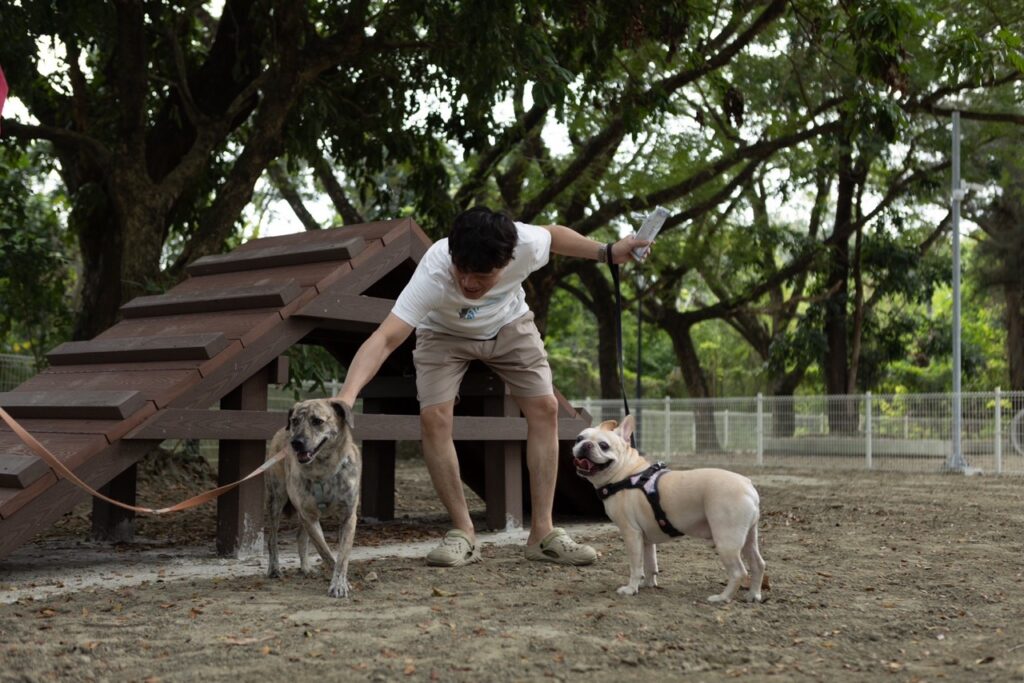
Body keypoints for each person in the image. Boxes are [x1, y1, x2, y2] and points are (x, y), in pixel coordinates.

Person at [336, 206, 650, 567]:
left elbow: (555, 235)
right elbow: (386, 338)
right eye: (462, 270)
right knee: (434, 417)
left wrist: (608, 251)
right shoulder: (434, 272)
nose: (469, 283)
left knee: (546, 408)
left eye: (481, 275)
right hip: (443, 334)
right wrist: (346, 396)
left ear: (508, 258)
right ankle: (462, 533)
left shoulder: (526, 243)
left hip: (509, 323)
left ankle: (543, 534)